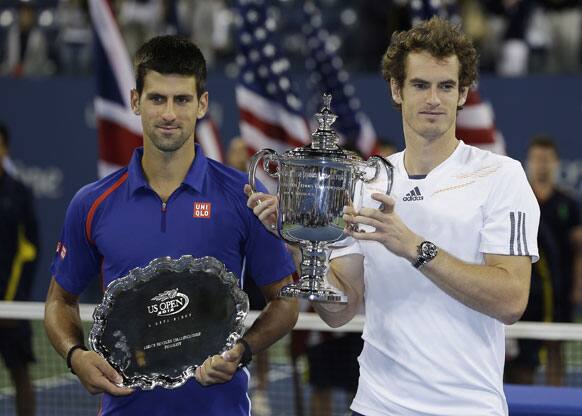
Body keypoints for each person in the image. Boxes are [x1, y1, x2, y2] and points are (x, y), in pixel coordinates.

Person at [247, 17, 540, 415]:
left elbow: (511, 301)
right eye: (420, 85)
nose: (433, 99)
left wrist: (414, 247)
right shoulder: (364, 180)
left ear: (463, 93)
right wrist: (298, 239)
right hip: (376, 405)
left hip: (468, 407)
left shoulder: (501, 176)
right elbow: (340, 310)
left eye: (446, 86)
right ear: (396, 89)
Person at [44, 35, 298, 416]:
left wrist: (242, 351)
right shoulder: (91, 203)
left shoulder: (241, 196)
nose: (169, 114)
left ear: (202, 104)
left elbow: (286, 300)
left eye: (182, 99)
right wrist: (75, 354)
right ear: (135, 102)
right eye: (157, 98)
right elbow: (59, 301)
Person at [521, 135, 582, 385]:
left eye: (547, 159)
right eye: (537, 159)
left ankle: (554, 405)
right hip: (524, 290)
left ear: (556, 163)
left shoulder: (568, 203)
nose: (542, 164)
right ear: (528, 162)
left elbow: (579, 249)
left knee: (556, 349)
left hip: (559, 291)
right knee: (522, 357)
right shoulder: (518, 200)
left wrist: (577, 287)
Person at [0, 122, 39, 416]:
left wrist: (12, 302)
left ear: (5, 149)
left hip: (12, 308)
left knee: (20, 375)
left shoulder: (19, 193)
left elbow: (29, 251)